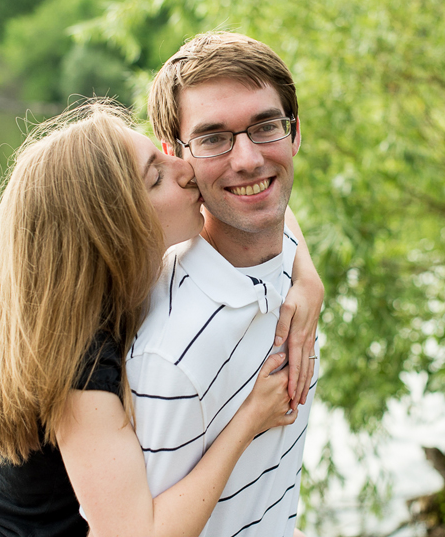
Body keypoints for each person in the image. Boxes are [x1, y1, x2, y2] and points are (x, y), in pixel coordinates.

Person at [0, 99, 323, 537]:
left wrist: (307, 277)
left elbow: (266, 203)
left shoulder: (102, 288)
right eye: (156, 176)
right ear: (116, 226)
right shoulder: (81, 365)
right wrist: (250, 418)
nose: (184, 169)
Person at [126, 32, 322, 537]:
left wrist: (307, 272)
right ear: (176, 156)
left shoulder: (289, 276)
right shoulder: (169, 354)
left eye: (266, 127)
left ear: (295, 133)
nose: (248, 160)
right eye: (214, 138)